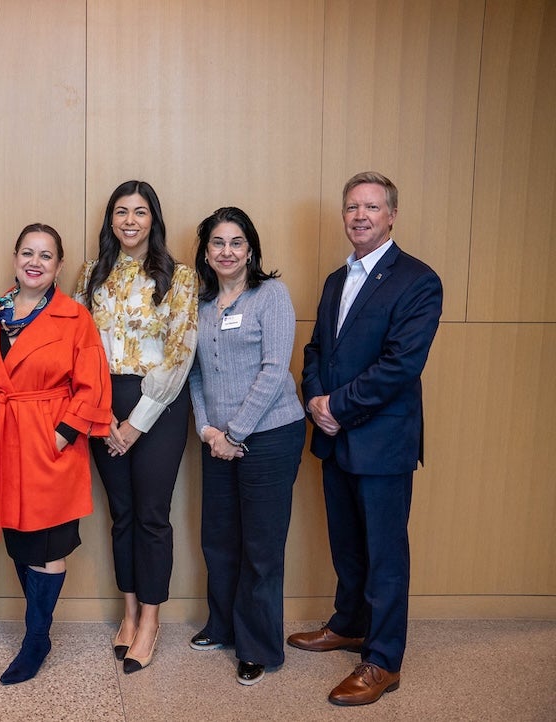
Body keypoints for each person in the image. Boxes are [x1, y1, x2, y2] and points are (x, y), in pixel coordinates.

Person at [291, 172, 442, 706]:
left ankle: (382, 660)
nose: (360, 216)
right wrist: (315, 401)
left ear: (392, 215)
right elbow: (315, 351)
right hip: (335, 438)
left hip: (381, 442)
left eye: (371, 207)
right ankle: (350, 624)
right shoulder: (337, 279)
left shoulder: (418, 280)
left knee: (384, 555)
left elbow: (400, 365)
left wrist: (338, 406)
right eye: (352, 207)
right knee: (348, 547)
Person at [0, 223, 112, 685]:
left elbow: (93, 382)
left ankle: (35, 640)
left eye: (46, 256)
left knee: (47, 546)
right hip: (1, 441)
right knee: (19, 541)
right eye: (28, 252)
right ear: (14, 258)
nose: (35, 261)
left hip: (49, 443)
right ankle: (38, 631)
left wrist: (64, 433)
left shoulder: (74, 318)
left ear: (59, 266)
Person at [73, 180, 197, 674]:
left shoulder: (180, 276)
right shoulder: (90, 274)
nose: (129, 221)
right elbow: (78, 349)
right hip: (102, 403)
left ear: (154, 219)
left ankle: (151, 620)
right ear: (110, 220)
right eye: (121, 212)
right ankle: (128, 615)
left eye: (140, 212)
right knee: (120, 514)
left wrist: (135, 424)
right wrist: (103, 417)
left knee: (151, 516)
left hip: (159, 407)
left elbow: (180, 352)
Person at [186, 207, 306, 686]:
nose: (227, 251)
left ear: (251, 248)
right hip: (217, 441)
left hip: (271, 436)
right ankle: (223, 627)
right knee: (218, 541)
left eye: (236, 242)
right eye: (218, 243)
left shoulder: (270, 295)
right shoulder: (199, 303)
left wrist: (235, 433)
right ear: (206, 251)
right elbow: (193, 372)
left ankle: (258, 646)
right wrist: (208, 431)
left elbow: (275, 370)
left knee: (260, 547)